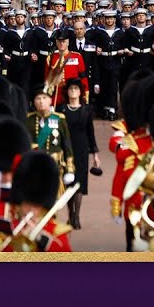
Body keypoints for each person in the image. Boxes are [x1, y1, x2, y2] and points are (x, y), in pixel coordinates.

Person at [57, 81, 97, 230]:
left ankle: (76, 216)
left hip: (81, 149)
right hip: (65, 148)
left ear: (80, 92)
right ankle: (70, 213)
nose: (73, 91)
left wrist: (95, 154)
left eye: (76, 89)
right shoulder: (61, 109)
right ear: (66, 92)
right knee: (68, 182)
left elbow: (90, 133)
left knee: (79, 183)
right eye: (71, 89)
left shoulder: (86, 110)